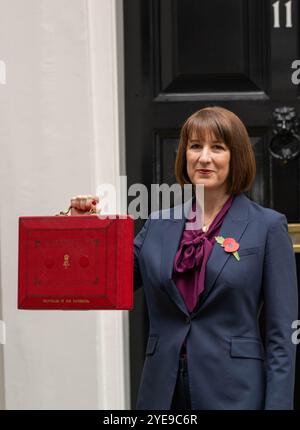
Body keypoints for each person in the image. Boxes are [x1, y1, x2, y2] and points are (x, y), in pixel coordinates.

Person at [70, 106, 298, 410]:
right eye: (195, 146)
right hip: (162, 393)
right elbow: (106, 283)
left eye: (217, 147)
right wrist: (84, 228)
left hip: (236, 393)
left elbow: (281, 336)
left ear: (236, 156)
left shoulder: (267, 226)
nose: (204, 157)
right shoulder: (157, 223)